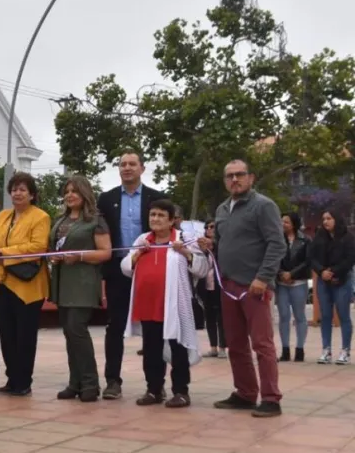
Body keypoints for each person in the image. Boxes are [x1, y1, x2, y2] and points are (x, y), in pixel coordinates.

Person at [204, 159, 287, 418]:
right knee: (235, 343)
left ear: (251, 178)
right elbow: (223, 243)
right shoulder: (222, 209)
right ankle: (245, 393)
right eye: (229, 176)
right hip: (228, 285)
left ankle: (271, 398)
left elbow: (277, 244)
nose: (235, 180)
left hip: (255, 286)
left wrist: (263, 277)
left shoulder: (263, 206)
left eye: (240, 174)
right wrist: (209, 245)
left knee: (262, 344)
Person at [121, 199, 209, 408]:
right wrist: (138, 253)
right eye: (152, 215)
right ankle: (154, 390)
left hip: (174, 305)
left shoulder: (184, 239)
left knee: (178, 350)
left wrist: (185, 252)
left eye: (161, 215)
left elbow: (202, 269)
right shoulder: (143, 239)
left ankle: (181, 391)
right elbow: (125, 267)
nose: (155, 219)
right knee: (151, 349)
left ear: (171, 220)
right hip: (147, 304)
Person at [96, 150, 165, 400]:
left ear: (142, 168)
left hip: (150, 270)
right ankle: (112, 381)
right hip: (117, 271)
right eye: (123, 164)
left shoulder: (157, 198)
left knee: (153, 327)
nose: (127, 168)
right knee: (115, 326)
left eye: (132, 164)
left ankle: (155, 384)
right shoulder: (106, 199)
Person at [48, 175, 112, 403]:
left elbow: (106, 252)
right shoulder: (61, 220)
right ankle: (75, 383)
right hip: (62, 282)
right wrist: (53, 257)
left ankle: (90, 384)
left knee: (77, 330)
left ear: (84, 194)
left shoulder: (95, 221)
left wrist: (80, 256)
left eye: (74, 191)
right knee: (69, 333)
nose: (69, 195)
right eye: (67, 191)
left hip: (83, 283)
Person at [0, 172, 51, 397]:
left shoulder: (40, 217)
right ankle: (12, 378)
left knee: (25, 336)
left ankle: (23, 381)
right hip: (1, 282)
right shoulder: (2, 216)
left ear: (32, 194)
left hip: (27, 285)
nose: (17, 193)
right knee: (6, 335)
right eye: (14, 189)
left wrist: (4, 253)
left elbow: (38, 247)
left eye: (22, 189)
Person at [309, 210, 355, 365]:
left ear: (336, 219)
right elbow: (311, 257)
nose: (325, 222)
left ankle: (345, 351)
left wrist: (333, 271)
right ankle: (326, 350)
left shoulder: (348, 237)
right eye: (323, 219)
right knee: (326, 316)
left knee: (343, 315)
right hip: (323, 280)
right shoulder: (320, 237)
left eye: (329, 218)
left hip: (342, 279)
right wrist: (322, 271)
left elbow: (350, 259)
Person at [277, 212, 310, 363]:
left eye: (286, 222)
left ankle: (300, 349)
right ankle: (285, 350)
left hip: (299, 283)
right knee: (284, 316)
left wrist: (292, 274)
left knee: (299, 316)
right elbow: (272, 258)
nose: (283, 224)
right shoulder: (277, 239)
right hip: (281, 283)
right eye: (282, 221)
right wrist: (281, 274)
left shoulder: (305, 240)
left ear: (294, 224)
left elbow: (307, 261)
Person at [198, 220, 226, 359]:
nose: (209, 229)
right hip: (206, 286)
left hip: (220, 286)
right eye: (207, 227)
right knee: (209, 316)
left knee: (221, 317)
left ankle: (222, 347)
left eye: (212, 227)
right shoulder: (201, 247)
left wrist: (212, 247)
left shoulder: (222, 245)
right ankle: (213, 347)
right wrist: (204, 250)